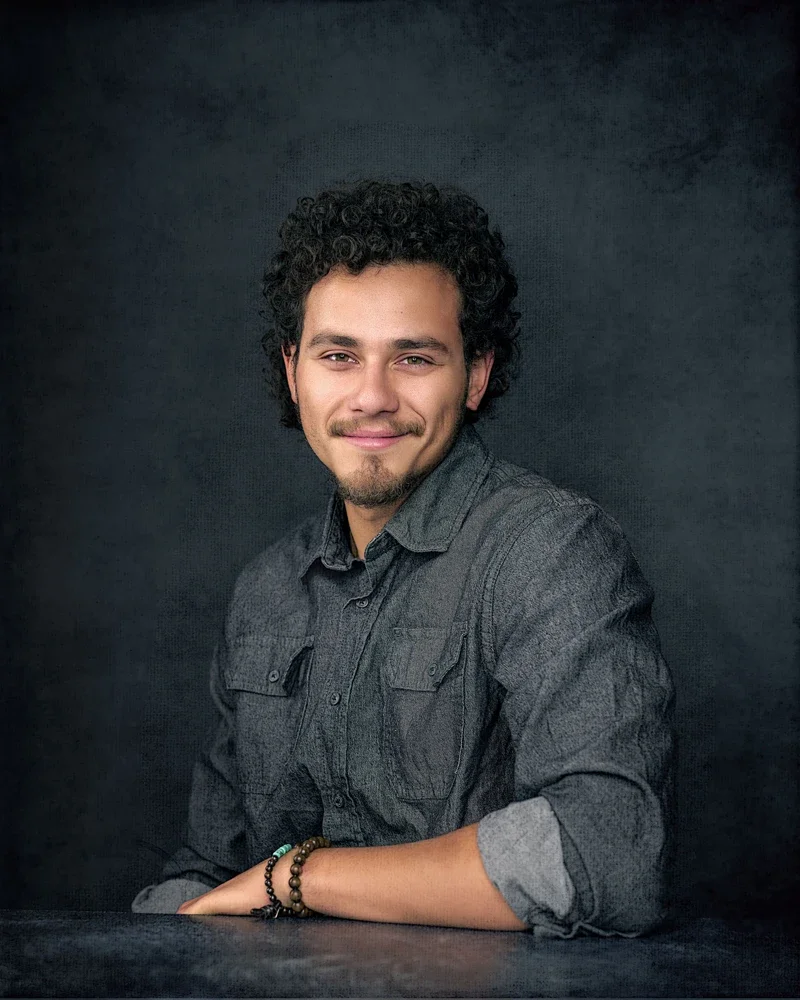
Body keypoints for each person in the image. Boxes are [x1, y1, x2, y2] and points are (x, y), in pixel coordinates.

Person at [132, 180, 673, 936]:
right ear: (294, 372)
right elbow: (210, 871)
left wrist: (299, 877)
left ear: (476, 373)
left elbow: (605, 855)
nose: (372, 396)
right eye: (338, 355)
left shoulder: (552, 550)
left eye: (414, 357)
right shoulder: (266, 589)